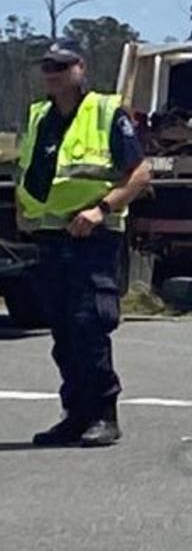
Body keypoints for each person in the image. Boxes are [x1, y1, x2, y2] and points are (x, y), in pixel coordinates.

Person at [16, 39, 152, 447]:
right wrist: (26, 211)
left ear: (80, 68)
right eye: (47, 66)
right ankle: (75, 414)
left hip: (93, 233)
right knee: (61, 328)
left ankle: (103, 414)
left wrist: (101, 210)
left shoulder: (106, 112)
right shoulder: (40, 115)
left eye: (61, 65)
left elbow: (140, 173)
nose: (52, 73)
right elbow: (35, 171)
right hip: (50, 233)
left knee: (88, 323)